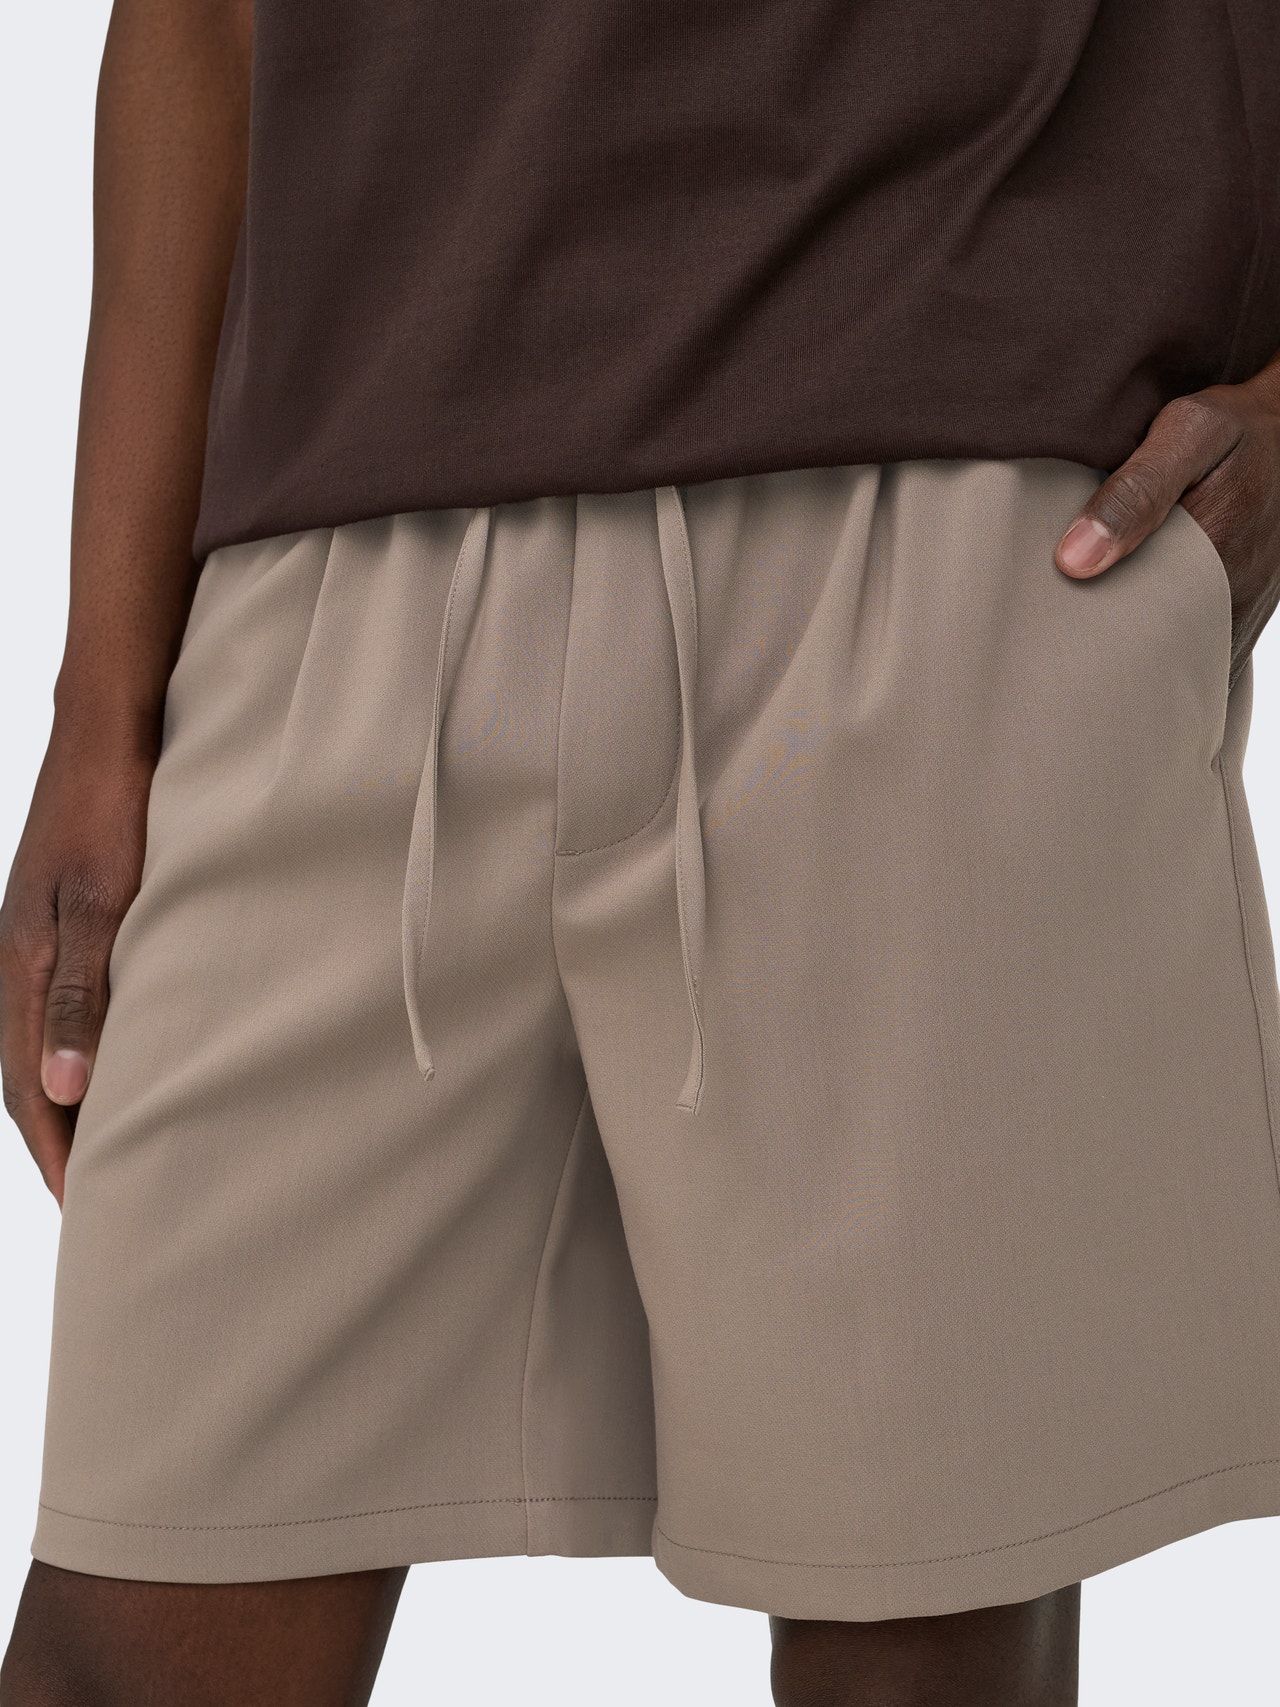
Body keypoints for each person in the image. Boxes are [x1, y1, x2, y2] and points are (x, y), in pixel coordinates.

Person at [2, 0, 1279, 1701]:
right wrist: (102, 699)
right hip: (339, 551)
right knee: (130, 1630)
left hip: (952, 522)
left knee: (918, 1646)